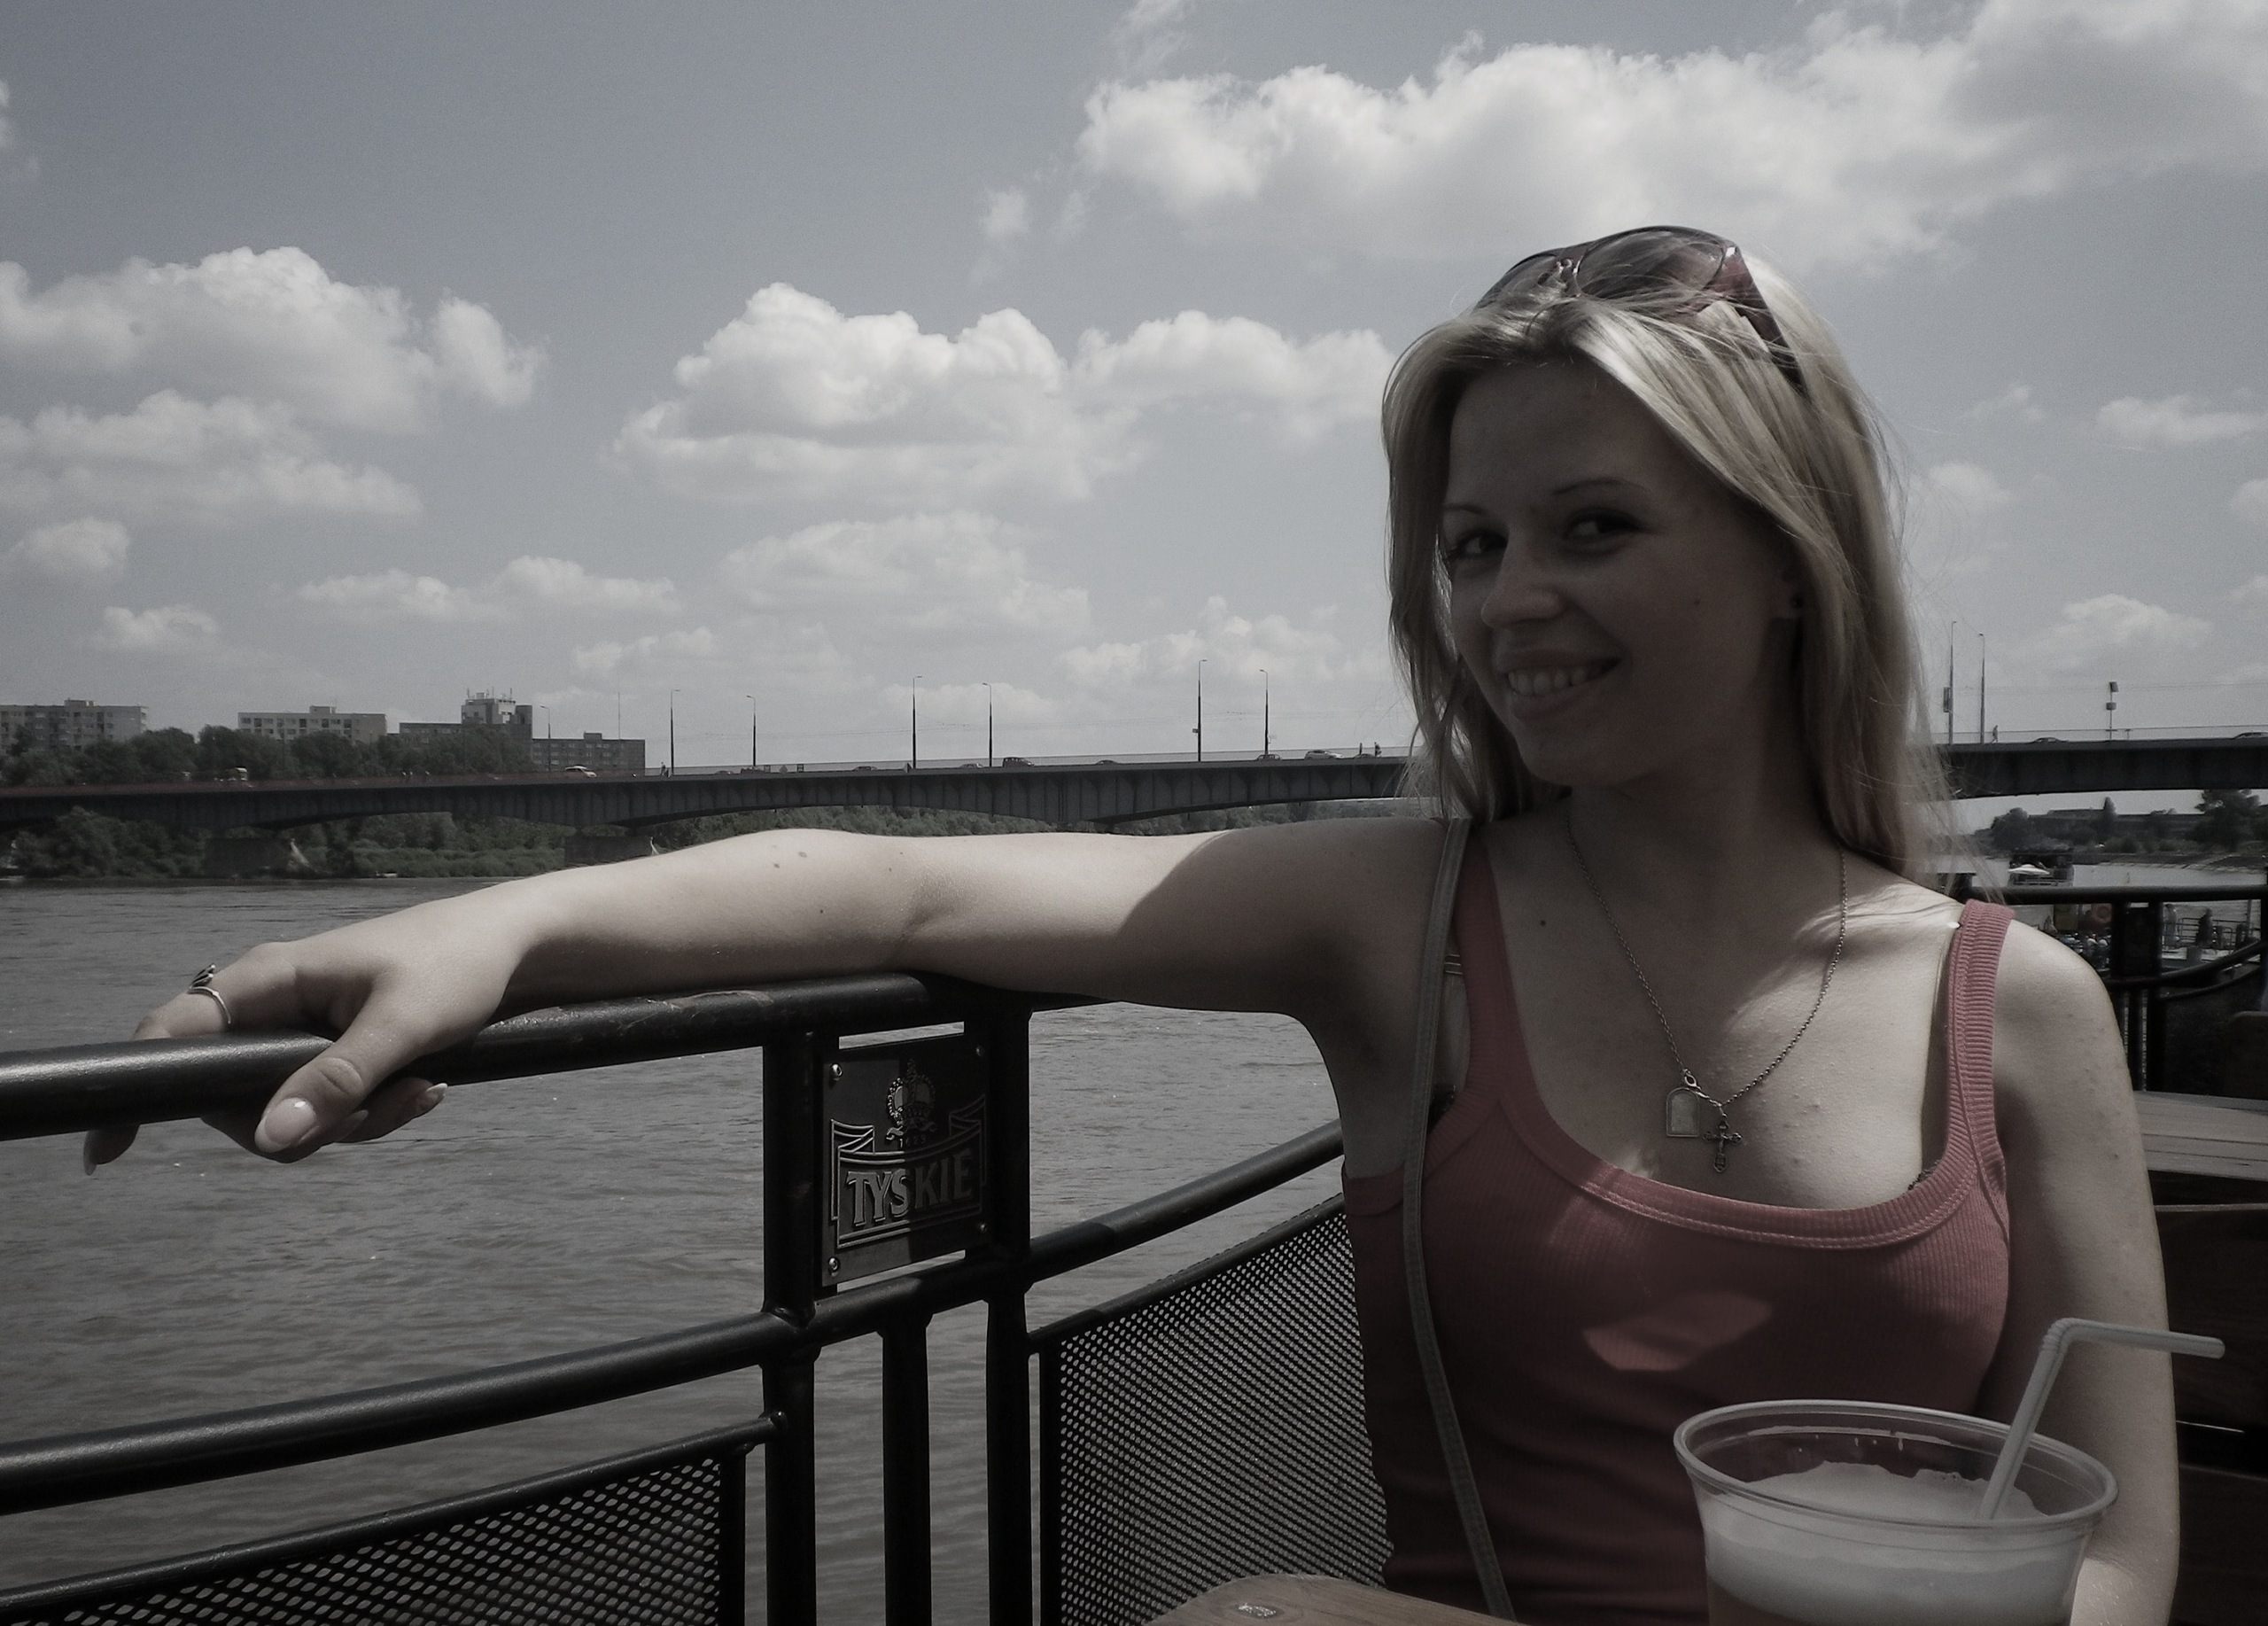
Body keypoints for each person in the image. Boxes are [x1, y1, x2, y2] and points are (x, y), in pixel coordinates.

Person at [101, 227, 2175, 1625]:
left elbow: (2118, 1554)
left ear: (1790, 548)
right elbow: (906, 883)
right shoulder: (1401, 916)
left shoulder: (2021, 1012)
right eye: (1468, 542)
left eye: (1592, 527)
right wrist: (497, 932)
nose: (1505, 602)